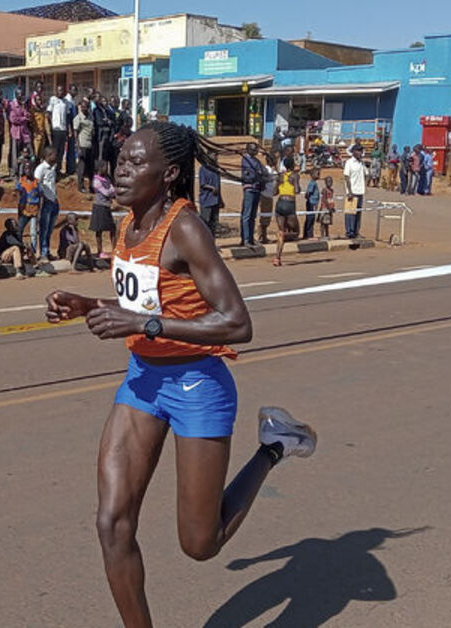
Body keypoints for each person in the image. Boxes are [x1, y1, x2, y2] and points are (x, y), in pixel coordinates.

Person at [44, 121, 318, 628]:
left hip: (197, 385)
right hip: (144, 379)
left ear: (167, 174)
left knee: (200, 543)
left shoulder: (186, 228)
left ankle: (275, 445)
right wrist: (88, 304)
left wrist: (143, 322)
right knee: (112, 523)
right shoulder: (129, 223)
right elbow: (144, 303)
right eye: (120, 160)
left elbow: (237, 322)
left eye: (134, 163)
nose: (120, 170)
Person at [272, 156, 300, 267]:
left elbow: (274, 192)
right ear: (293, 165)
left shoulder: (280, 176)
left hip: (280, 203)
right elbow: (297, 191)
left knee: (281, 231)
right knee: (296, 232)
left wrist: (279, 182)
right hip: (289, 204)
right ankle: (284, 235)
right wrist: (294, 183)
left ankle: (277, 257)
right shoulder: (294, 176)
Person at [35, 146, 60, 260]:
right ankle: (43, 253)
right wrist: (42, 198)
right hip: (46, 202)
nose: (56, 156)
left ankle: (47, 250)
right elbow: (37, 184)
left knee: (50, 229)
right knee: (44, 229)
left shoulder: (53, 168)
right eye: (54, 154)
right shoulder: (41, 169)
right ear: (48, 155)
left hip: (54, 200)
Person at [91, 161, 117, 259]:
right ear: (100, 168)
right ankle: (99, 251)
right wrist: (111, 191)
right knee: (99, 230)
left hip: (106, 206)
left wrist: (111, 191)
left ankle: (114, 249)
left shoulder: (107, 178)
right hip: (99, 206)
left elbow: (112, 190)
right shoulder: (96, 181)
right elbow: (107, 192)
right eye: (106, 167)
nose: (107, 169)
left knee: (112, 229)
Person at [239, 142, 263, 247]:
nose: (256, 151)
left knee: (253, 216)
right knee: (247, 215)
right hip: (249, 189)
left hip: (257, 189)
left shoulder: (257, 161)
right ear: (248, 149)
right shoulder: (245, 160)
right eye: (254, 150)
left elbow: (261, 172)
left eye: (256, 150)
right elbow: (250, 174)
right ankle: (246, 239)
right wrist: (257, 174)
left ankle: (251, 238)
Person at [16, 157, 42, 255]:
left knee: (33, 233)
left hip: (34, 210)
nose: (27, 171)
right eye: (25, 169)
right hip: (24, 210)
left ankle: (33, 252)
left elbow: (41, 196)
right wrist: (19, 209)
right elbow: (18, 197)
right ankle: (20, 249)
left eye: (29, 168)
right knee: (19, 230)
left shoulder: (36, 182)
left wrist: (40, 210)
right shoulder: (21, 182)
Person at [342, 145, 367, 239]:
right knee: (350, 213)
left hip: (360, 191)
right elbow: (346, 177)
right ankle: (349, 232)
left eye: (361, 151)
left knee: (358, 213)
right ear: (354, 152)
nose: (361, 153)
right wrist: (349, 191)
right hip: (352, 192)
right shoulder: (349, 163)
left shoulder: (362, 163)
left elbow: (366, 174)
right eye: (359, 151)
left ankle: (356, 231)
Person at [73, 100, 96, 193]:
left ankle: (91, 186)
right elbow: (75, 133)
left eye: (86, 107)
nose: (84, 108)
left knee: (91, 167)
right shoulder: (78, 118)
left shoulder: (91, 117)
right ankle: (81, 186)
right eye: (82, 107)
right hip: (82, 145)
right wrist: (77, 147)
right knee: (82, 167)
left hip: (90, 144)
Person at [8, 91, 32, 176]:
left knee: (25, 152)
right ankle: (14, 172)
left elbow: (28, 115)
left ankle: (24, 171)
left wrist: (25, 112)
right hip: (16, 133)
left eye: (22, 94)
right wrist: (24, 119)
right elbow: (13, 119)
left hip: (24, 132)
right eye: (19, 94)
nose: (21, 96)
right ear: (16, 95)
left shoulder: (24, 104)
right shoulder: (12, 105)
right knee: (15, 153)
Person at [47, 87, 70, 177]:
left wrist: (68, 129)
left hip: (63, 130)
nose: (61, 92)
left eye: (62, 90)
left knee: (61, 151)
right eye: (59, 90)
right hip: (55, 130)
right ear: (56, 91)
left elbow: (67, 115)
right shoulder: (53, 99)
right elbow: (48, 113)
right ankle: (52, 170)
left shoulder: (66, 102)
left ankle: (58, 170)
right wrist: (50, 126)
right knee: (54, 151)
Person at [198, 154, 222, 236]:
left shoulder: (216, 170)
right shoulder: (203, 169)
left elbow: (219, 186)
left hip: (215, 200)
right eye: (214, 156)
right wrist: (212, 188)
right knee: (205, 223)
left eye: (216, 156)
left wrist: (220, 200)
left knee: (214, 223)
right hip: (206, 200)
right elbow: (202, 184)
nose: (216, 158)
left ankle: (212, 243)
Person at [29, 81, 49, 157]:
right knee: (36, 152)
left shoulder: (40, 96)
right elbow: (34, 106)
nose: (40, 89)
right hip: (36, 133)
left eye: (41, 87)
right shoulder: (34, 96)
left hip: (42, 133)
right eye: (38, 87)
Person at [302, 167, 321, 240]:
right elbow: (308, 193)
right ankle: (309, 235)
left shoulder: (314, 183)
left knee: (309, 218)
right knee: (310, 219)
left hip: (312, 203)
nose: (319, 175)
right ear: (312, 175)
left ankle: (306, 234)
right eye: (317, 174)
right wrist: (310, 201)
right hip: (311, 203)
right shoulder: (312, 183)